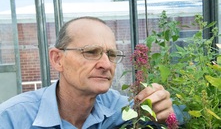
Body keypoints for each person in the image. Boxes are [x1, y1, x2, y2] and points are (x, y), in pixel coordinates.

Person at [0, 16, 184, 129]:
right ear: (57, 59)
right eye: (90, 52)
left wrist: (164, 107)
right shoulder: (12, 118)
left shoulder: (116, 108)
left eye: (111, 54)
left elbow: (182, 112)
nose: (105, 64)